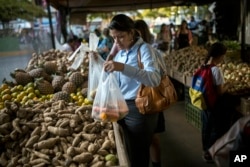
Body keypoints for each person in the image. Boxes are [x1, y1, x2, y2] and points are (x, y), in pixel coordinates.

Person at [103, 14, 161, 167]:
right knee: (126, 150)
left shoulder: (145, 50)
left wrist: (122, 67)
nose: (117, 42)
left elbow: (154, 79)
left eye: (121, 36)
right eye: (114, 38)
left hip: (139, 108)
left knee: (138, 155)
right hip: (121, 106)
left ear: (131, 32)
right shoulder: (121, 52)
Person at [200, 42, 230, 163]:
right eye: (223, 56)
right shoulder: (216, 70)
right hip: (214, 104)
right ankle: (210, 154)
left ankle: (206, 151)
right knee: (216, 130)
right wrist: (228, 85)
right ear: (220, 55)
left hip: (204, 103)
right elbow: (220, 91)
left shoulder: (203, 66)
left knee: (206, 128)